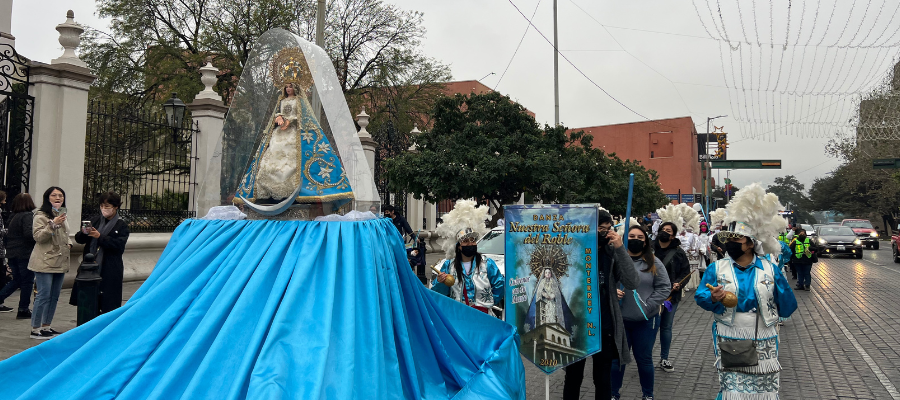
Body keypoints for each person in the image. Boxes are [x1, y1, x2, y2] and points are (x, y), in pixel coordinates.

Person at [695, 183, 797, 399]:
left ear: (750, 244)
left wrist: (780, 287)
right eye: (729, 239)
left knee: (763, 390)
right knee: (733, 389)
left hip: (764, 335)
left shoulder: (770, 269)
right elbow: (701, 297)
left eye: (736, 239)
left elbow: (788, 306)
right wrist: (712, 297)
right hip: (729, 333)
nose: (731, 243)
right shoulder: (717, 267)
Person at [233, 79, 354, 215]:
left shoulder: (299, 100)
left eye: (290, 86)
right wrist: (278, 117)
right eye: (286, 87)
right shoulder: (281, 101)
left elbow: (303, 115)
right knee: (272, 155)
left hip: (293, 132)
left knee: (292, 158)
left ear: (295, 88)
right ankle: (269, 192)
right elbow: (277, 113)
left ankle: (294, 191)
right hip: (280, 132)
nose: (288, 89)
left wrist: (291, 120)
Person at [563, 210, 640, 400]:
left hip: (603, 325)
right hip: (576, 325)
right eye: (600, 228)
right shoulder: (573, 250)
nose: (604, 233)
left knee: (603, 379)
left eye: (608, 229)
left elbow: (632, 282)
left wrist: (621, 248)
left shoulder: (611, 252)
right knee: (573, 377)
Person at [610, 225, 670, 400]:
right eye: (632, 236)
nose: (636, 240)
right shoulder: (615, 259)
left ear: (645, 242)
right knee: (617, 361)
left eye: (640, 238)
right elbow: (603, 282)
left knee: (644, 360)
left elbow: (664, 287)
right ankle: (613, 394)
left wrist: (648, 306)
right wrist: (613, 291)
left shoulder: (653, 261)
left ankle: (648, 395)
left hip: (645, 320)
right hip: (620, 319)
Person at [72, 192, 131, 314]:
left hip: (109, 267)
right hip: (90, 265)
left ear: (115, 207)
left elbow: (119, 246)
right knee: (89, 302)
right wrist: (84, 232)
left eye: (107, 206)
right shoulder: (95, 221)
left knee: (108, 302)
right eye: (102, 206)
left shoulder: (121, 225)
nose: (104, 209)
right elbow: (79, 239)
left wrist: (100, 237)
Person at [28, 187, 72, 340]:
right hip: (44, 261)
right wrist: (52, 224)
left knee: (54, 296)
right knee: (44, 295)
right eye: (54, 195)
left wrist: (69, 243)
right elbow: (38, 237)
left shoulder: (62, 214)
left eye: (61, 195)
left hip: (60, 260)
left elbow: (66, 234)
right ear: (48, 198)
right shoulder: (40, 216)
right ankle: (35, 328)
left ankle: (46, 326)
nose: (58, 198)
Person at [432, 227, 503, 314]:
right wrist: (440, 282)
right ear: (459, 247)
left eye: (472, 240)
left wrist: (487, 302)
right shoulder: (449, 265)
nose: (470, 244)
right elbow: (440, 293)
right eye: (465, 241)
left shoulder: (487, 263)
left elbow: (499, 285)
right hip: (458, 314)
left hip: (483, 315)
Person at [652, 221, 690, 373]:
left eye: (668, 230)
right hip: (650, 295)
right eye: (663, 229)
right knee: (650, 327)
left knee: (666, 327)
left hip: (670, 296)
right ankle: (645, 358)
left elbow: (685, 272)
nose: (664, 232)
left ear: (673, 235)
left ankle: (664, 358)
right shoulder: (649, 249)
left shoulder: (679, 252)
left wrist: (678, 284)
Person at [0, 193, 36, 319]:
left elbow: (7, 235)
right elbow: (28, 234)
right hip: (24, 253)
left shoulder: (13, 216)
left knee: (17, 280)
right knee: (27, 282)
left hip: (12, 252)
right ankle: (23, 309)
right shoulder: (28, 215)